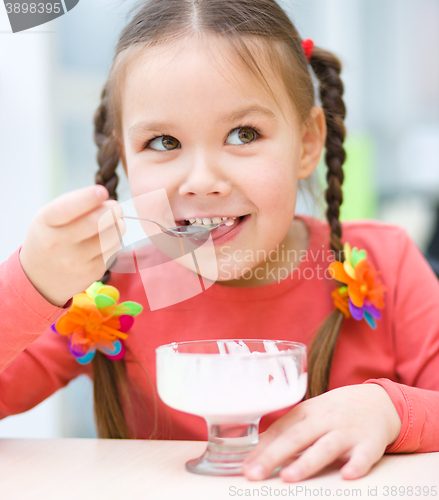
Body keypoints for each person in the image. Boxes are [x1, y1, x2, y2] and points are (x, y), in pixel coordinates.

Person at [1, 0, 439, 483]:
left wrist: (392, 409)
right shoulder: (105, 296)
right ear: (124, 159)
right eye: (164, 142)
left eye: (243, 133)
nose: (202, 181)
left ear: (308, 142)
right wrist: (33, 283)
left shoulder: (387, 264)